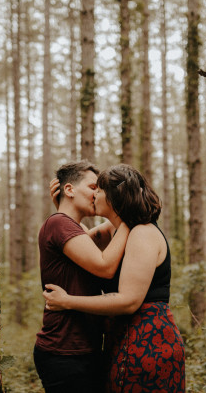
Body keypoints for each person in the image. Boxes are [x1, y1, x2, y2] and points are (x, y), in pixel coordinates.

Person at [44, 164, 186, 393]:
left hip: (148, 342)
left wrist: (68, 301)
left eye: (98, 189)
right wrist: (64, 207)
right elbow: (77, 244)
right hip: (120, 340)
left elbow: (128, 301)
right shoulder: (115, 228)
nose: (94, 194)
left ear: (113, 197)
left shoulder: (142, 233)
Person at [34, 160, 130, 393]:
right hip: (64, 352)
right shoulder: (59, 223)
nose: (98, 194)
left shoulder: (70, 227)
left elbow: (105, 232)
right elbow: (105, 267)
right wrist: (131, 218)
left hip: (82, 350)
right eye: (93, 187)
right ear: (69, 190)